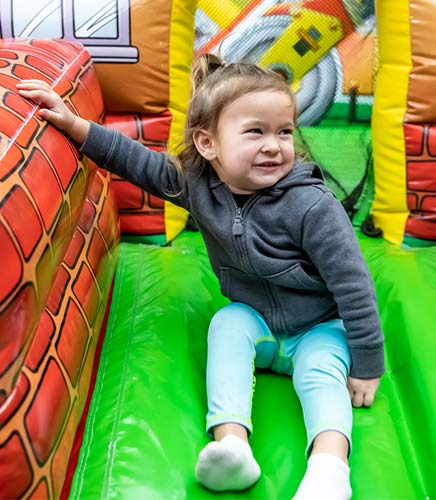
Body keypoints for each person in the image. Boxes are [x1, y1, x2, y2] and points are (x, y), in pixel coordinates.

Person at [17, 53, 384, 500]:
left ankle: (329, 468)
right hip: (258, 320)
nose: (275, 145)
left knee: (321, 374)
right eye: (255, 132)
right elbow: (137, 162)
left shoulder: (313, 206)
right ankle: (231, 446)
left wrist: (367, 363)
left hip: (319, 327)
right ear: (208, 144)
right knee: (227, 325)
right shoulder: (198, 185)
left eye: (284, 132)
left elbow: (354, 285)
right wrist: (74, 126)